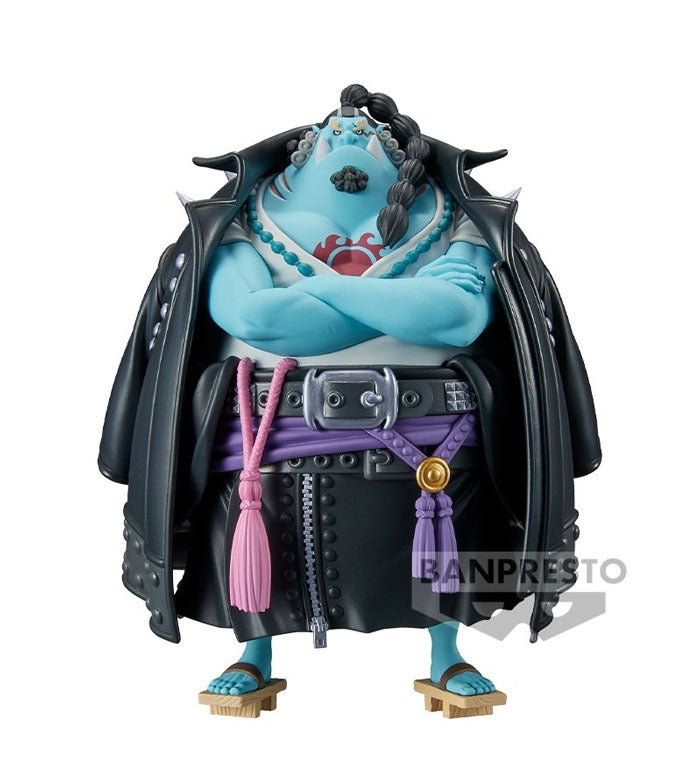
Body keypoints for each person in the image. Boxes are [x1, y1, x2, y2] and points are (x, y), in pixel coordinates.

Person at [99, 85, 601, 713]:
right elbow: (255, 319)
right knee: (261, 539)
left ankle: (446, 653)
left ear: (400, 151)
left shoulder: (462, 217)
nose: (348, 136)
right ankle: (255, 652)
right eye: (332, 133)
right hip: (267, 432)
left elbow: (457, 317)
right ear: (300, 153)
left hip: (432, 431)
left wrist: (318, 293)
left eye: (368, 135)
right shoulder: (240, 219)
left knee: (440, 540)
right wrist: (402, 303)